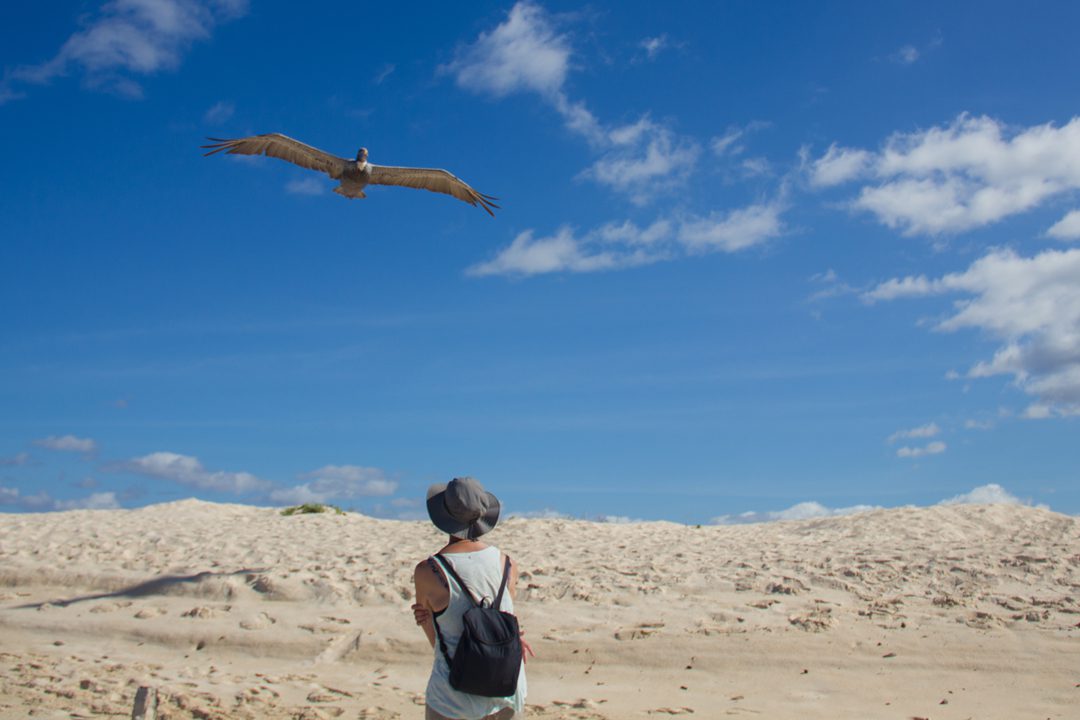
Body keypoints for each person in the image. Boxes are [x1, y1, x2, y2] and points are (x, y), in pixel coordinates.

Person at [412, 477, 535, 720]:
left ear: (443, 517)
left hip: (454, 695)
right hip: (506, 684)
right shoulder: (507, 563)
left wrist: (426, 620)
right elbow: (506, 619)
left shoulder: (429, 571)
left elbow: (437, 641)